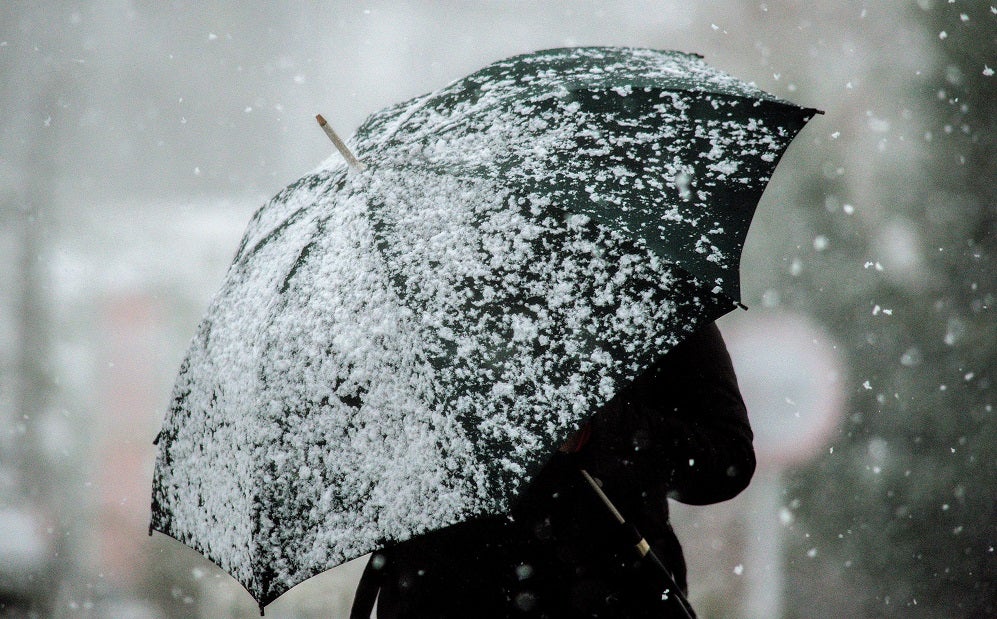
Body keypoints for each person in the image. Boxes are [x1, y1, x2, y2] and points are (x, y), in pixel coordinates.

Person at [351, 321, 754, 618]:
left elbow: (726, 460)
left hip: (607, 592)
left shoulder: (630, 270)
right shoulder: (396, 294)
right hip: (439, 594)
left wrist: (596, 431)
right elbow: (358, 455)